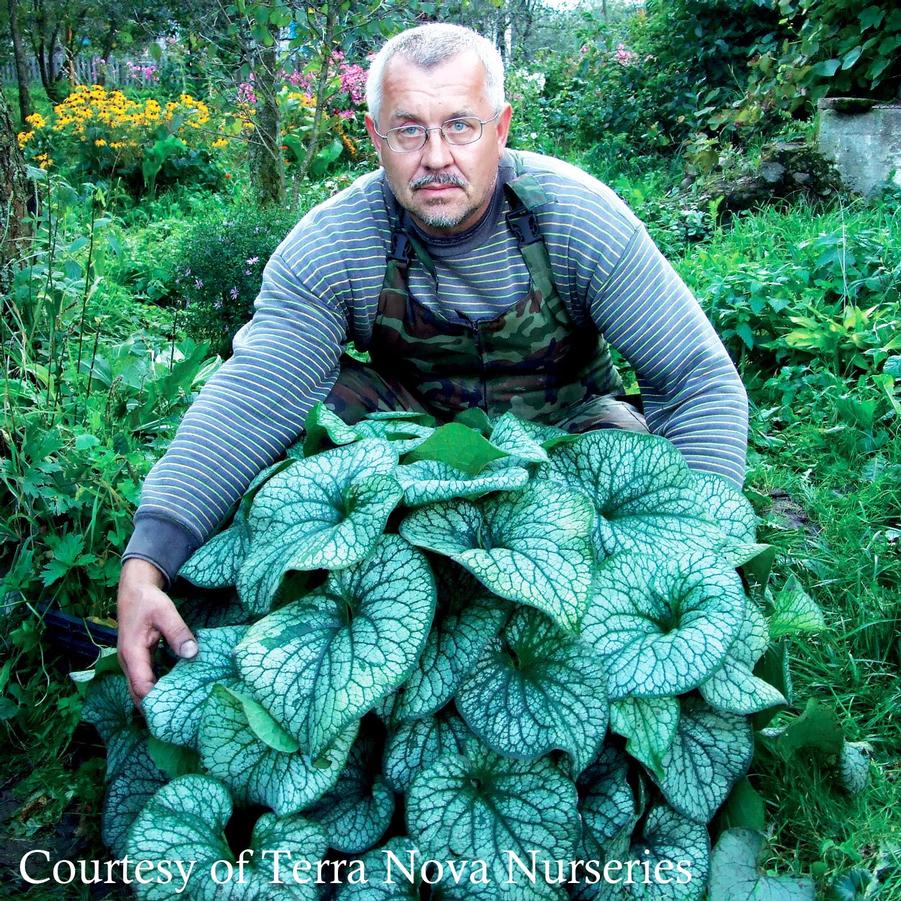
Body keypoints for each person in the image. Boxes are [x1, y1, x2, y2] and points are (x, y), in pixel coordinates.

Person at [117, 23, 749, 706]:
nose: (436, 156)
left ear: (501, 128)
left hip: (570, 442)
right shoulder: (336, 244)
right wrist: (150, 556)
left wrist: (697, 548)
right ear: (375, 137)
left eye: (460, 126)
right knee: (318, 406)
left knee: (628, 439)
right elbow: (256, 393)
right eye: (409, 130)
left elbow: (694, 380)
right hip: (415, 460)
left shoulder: (575, 218)